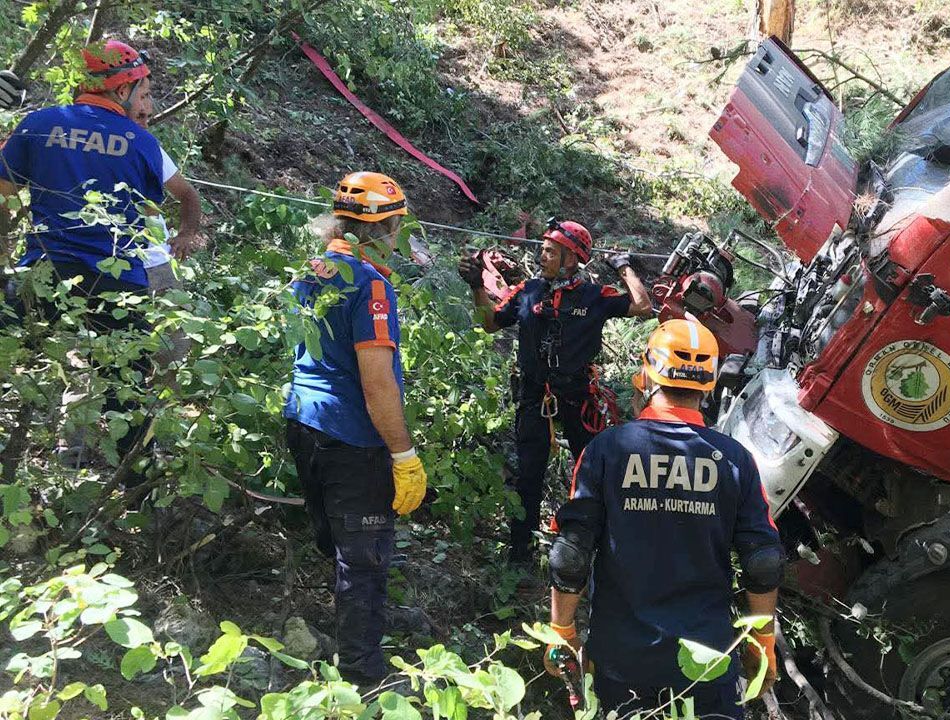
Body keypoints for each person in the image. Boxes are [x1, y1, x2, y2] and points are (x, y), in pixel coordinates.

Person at [543, 319, 784, 719]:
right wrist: (762, 644)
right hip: (706, 661)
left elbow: (571, 553)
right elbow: (763, 561)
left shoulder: (606, 450)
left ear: (647, 374)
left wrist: (562, 632)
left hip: (621, 660)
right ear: (709, 383)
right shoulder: (735, 460)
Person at [0, 40, 203, 469]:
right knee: (127, 390)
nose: (147, 105)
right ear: (122, 89)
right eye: (143, 93)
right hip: (118, 283)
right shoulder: (140, 142)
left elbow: (3, 195)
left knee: (17, 349)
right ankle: (136, 483)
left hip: (45, 271)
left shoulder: (39, 124)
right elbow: (164, 201)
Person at [283, 171, 427, 687]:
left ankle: (344, 643)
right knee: (364, 562)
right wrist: (403, 455)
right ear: (384, 228)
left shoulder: (312, 269)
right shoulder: (370, 286)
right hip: (351, 436)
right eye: (397, 225)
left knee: (339, 545)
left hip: (303, 420)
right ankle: (362, 681)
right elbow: (377, 384)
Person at [457, 219, 651, 566]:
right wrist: (476, 288)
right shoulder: (528, 291)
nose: (542, 256)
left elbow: (642, 305)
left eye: (550, 251)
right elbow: (490, 324)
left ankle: (596, 546)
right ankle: (521, 555)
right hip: (534, 395)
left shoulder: (594, 296)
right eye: (543, 250)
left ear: (571, 259)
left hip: (578, 396)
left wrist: (624, 268)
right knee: (528, 474)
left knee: (591, 471)